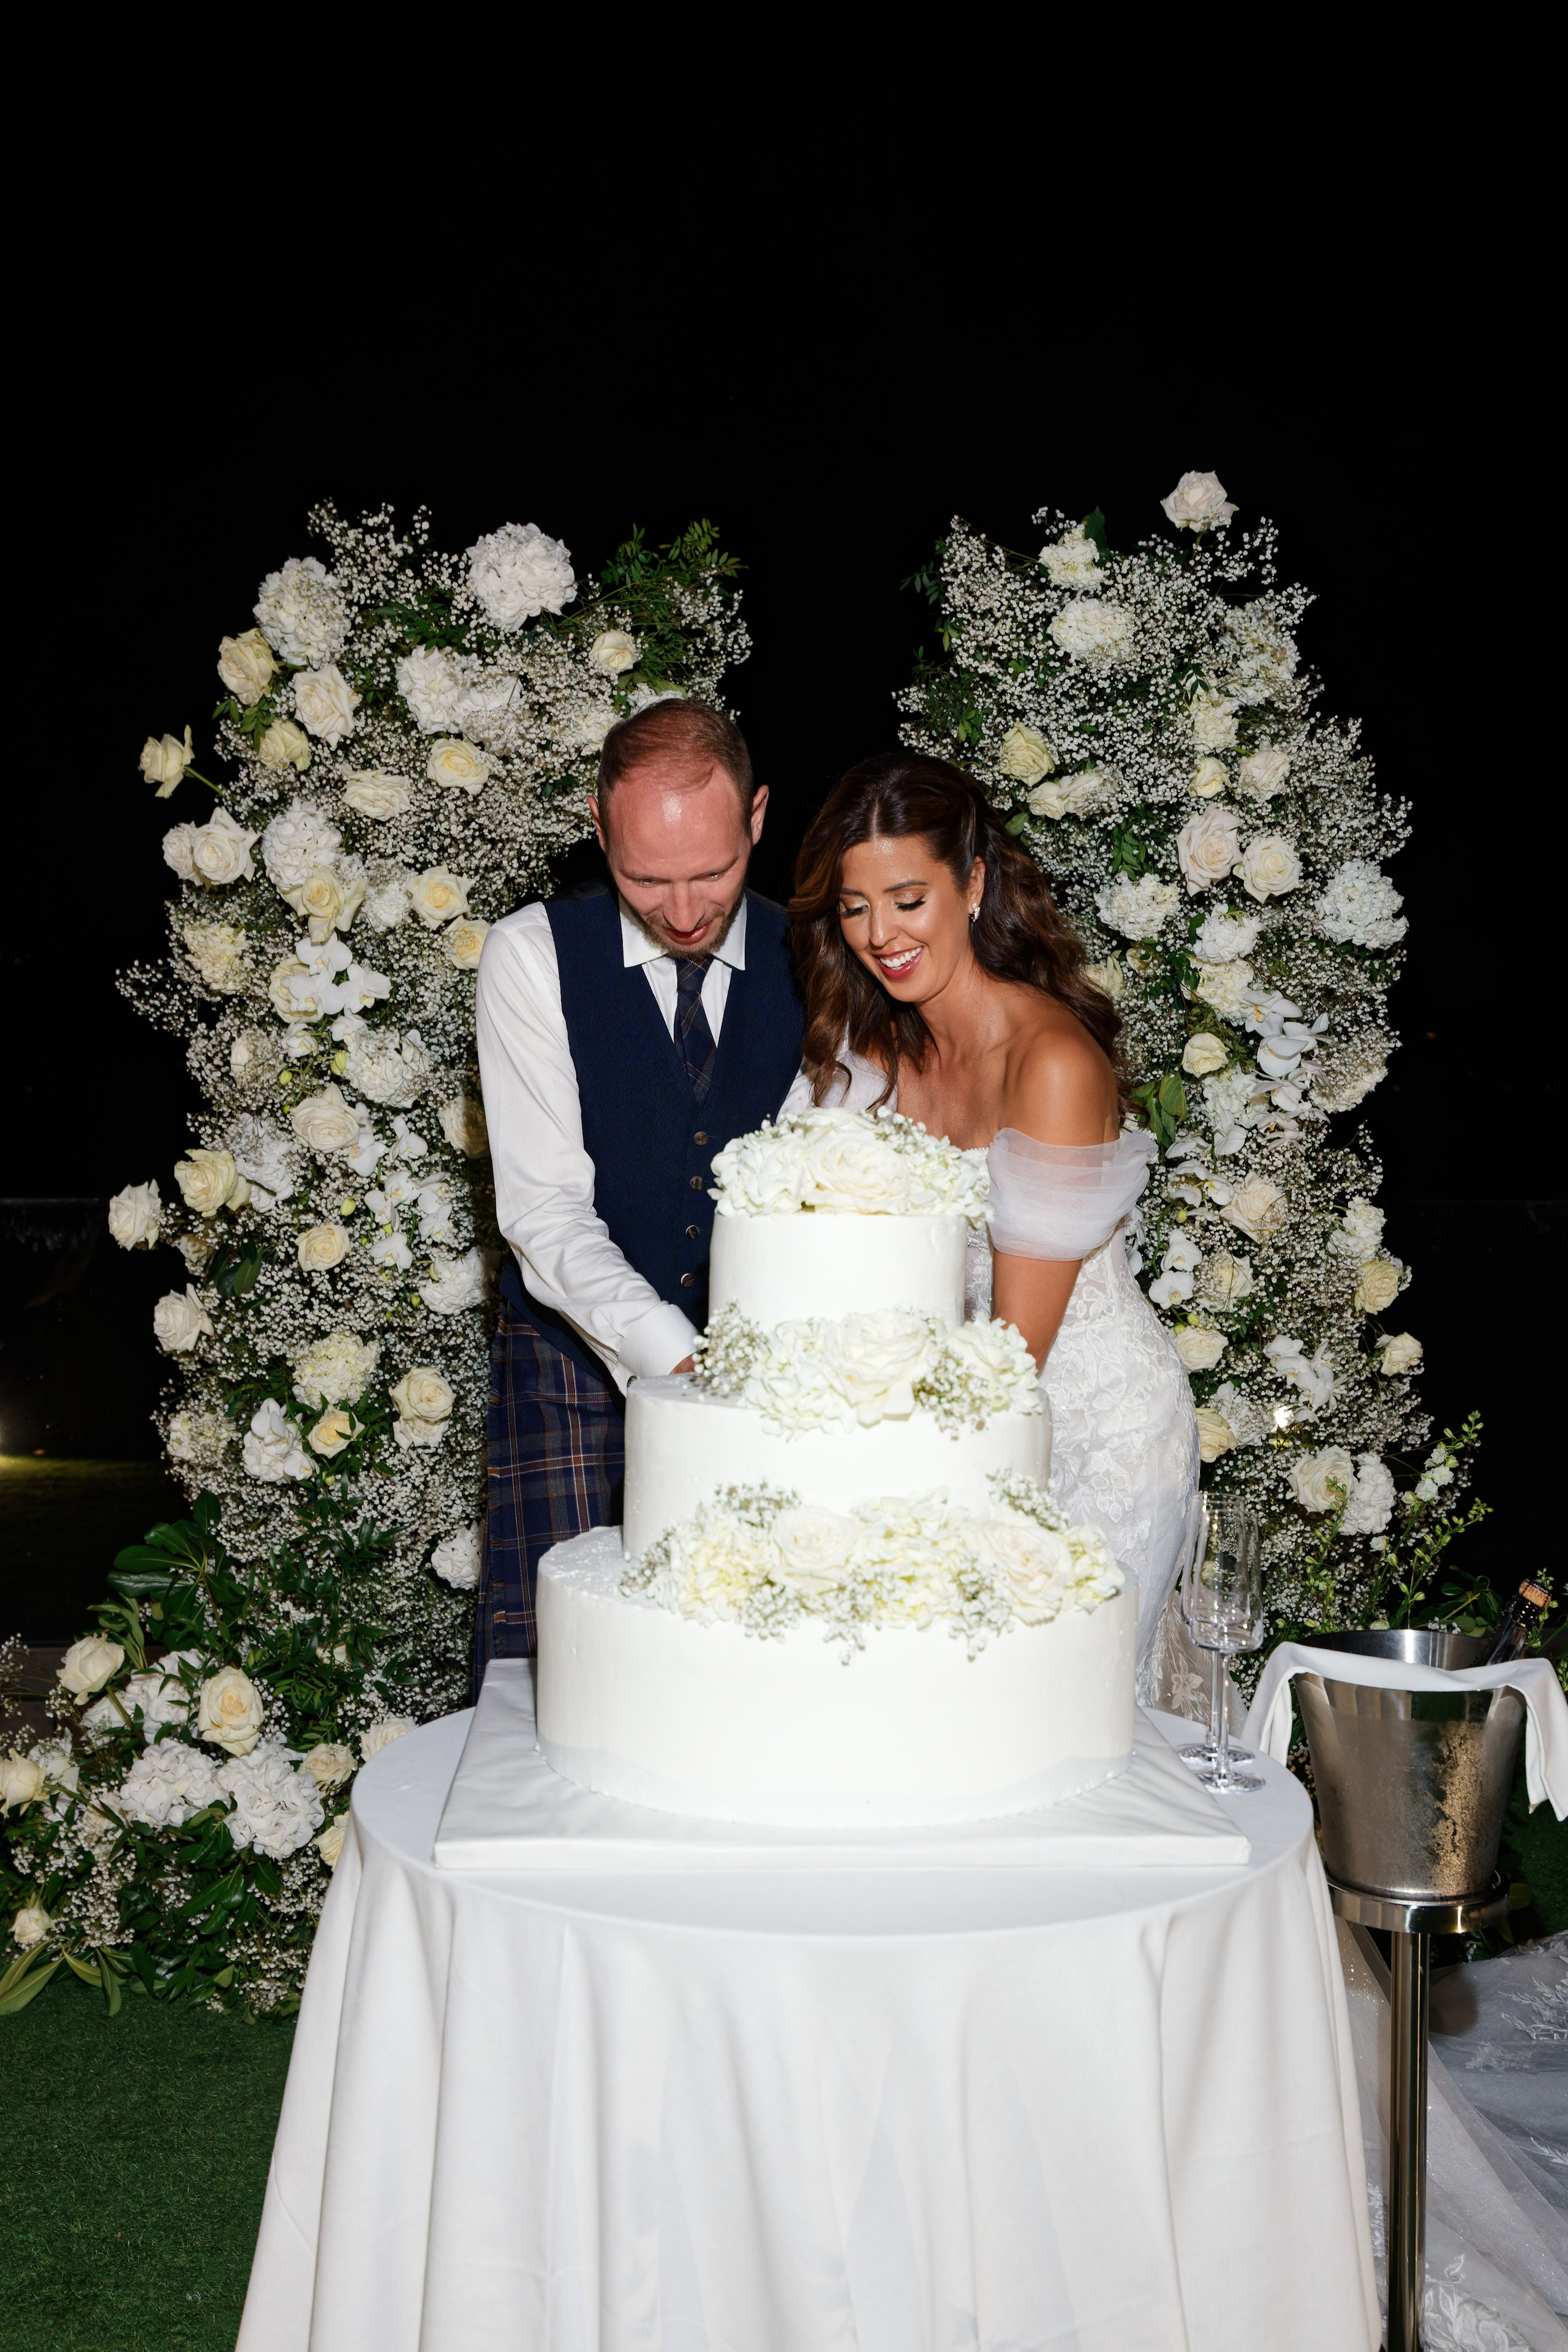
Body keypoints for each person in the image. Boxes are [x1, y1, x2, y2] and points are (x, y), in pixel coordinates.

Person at [787, 751, 1200, 1694]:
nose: (880, 935)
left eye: (907, 899)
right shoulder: (874, 1051)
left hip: (1093, 1431)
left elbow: (1014, 1353)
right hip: (961, 1416)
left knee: (1058, 1714)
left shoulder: (1050, 1062)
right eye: (854, 909)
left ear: (971, 884)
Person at [472, 701, 804, 1681]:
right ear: (597, 824)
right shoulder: (530, 957)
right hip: (571, 1370)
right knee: (559, 1684)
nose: (687, 910)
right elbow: (543, 1209)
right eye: (644, 878)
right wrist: (674, 1359)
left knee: (737, 1673)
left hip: (766, 1386)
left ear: (757, 818)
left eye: (713, 871)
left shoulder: (819, 959)